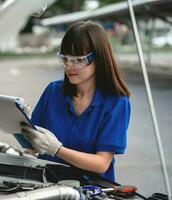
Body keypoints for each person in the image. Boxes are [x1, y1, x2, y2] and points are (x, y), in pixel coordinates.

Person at [20, 21, 131, 182]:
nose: (69, 66)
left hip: (92, 188)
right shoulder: (53, 91)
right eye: (65, 58)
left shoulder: (117, 102)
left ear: (99, 59)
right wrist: (22, 124)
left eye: (78, 59)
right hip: (48, 184)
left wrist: (57, 150)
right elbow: (32, 145)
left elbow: (101, 164)